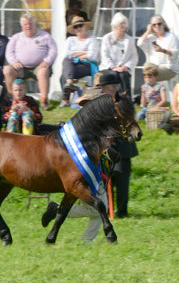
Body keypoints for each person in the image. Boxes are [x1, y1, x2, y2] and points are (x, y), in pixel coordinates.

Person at [42, 72, 138, 241]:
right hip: (89, 162)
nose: (115, 88)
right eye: (111, 85)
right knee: (98, 207)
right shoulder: (97, 107)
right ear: (103, 88)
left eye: (116, 85)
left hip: (103, 157)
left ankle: (83, 240)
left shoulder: (117, 104)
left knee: (97, 207)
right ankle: (83, 238)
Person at [3, 14, 57, 110]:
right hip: (20, 67)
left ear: (35, 24)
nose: (28, 26)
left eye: (30, 24)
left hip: (39, 67)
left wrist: (47, 62)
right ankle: (12, 99)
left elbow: (53, 50)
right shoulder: (16, 37)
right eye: (25, 24)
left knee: (43, 71)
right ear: (22, 26)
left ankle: (43, 100)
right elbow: (9, 52)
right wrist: (14, 62)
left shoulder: (45, 36)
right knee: (7, 70)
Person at [60, 16, 99, 107]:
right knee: (66, 63)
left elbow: (92, 55)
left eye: (80, 26)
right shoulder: (70, 40)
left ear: (85, 27)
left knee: (64, 74)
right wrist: (84, 54)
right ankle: (68, 87)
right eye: (75, 27)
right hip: (72, 64)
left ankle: (65, 98)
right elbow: (66, 54)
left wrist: (76, 54)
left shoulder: (92, 39)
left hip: (87, 66)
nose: (78, 28)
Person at [99, 12, 138, 98]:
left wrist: (126, 67)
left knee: (123, 74)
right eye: (121, 24)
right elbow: (104, 55)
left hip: (123, 69)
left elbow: (134, 57)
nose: (123, 26)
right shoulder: (107, 38)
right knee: (116, 74)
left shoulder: (129, 40)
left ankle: (127, 99)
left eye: (124, 24)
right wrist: (114, 67)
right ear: (115, 26)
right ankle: (115, 99)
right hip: (108, 67)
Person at [137, 14, 179, 81]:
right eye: (154, 25)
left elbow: (175, 53)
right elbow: (139, 43)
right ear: (152, 27)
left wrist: (163, 50)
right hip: (152, 67)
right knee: (148, 69)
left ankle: (153, 90)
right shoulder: (150, 37)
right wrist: (148, 31)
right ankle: (153, 90)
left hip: (168, 67)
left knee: (150, 74)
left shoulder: (171, 37)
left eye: (159, 24)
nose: (157, 26)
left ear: (163, 24)